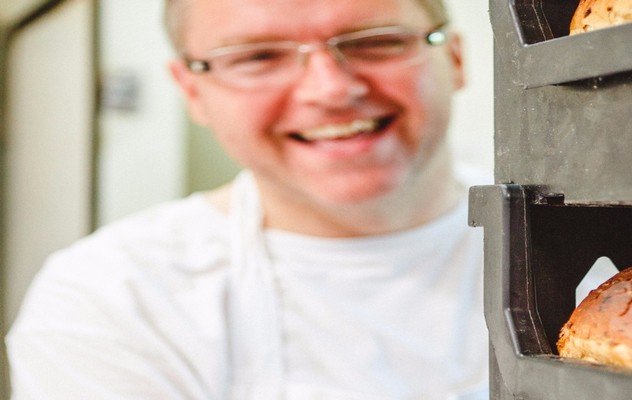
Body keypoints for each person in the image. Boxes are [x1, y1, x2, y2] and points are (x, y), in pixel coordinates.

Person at [5, 0, 490, 398]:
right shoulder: (114, 297)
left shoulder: (561, 227)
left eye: (377, 41)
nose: (332, 89)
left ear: (455, 58)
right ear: (191, 90)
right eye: (258, 57)